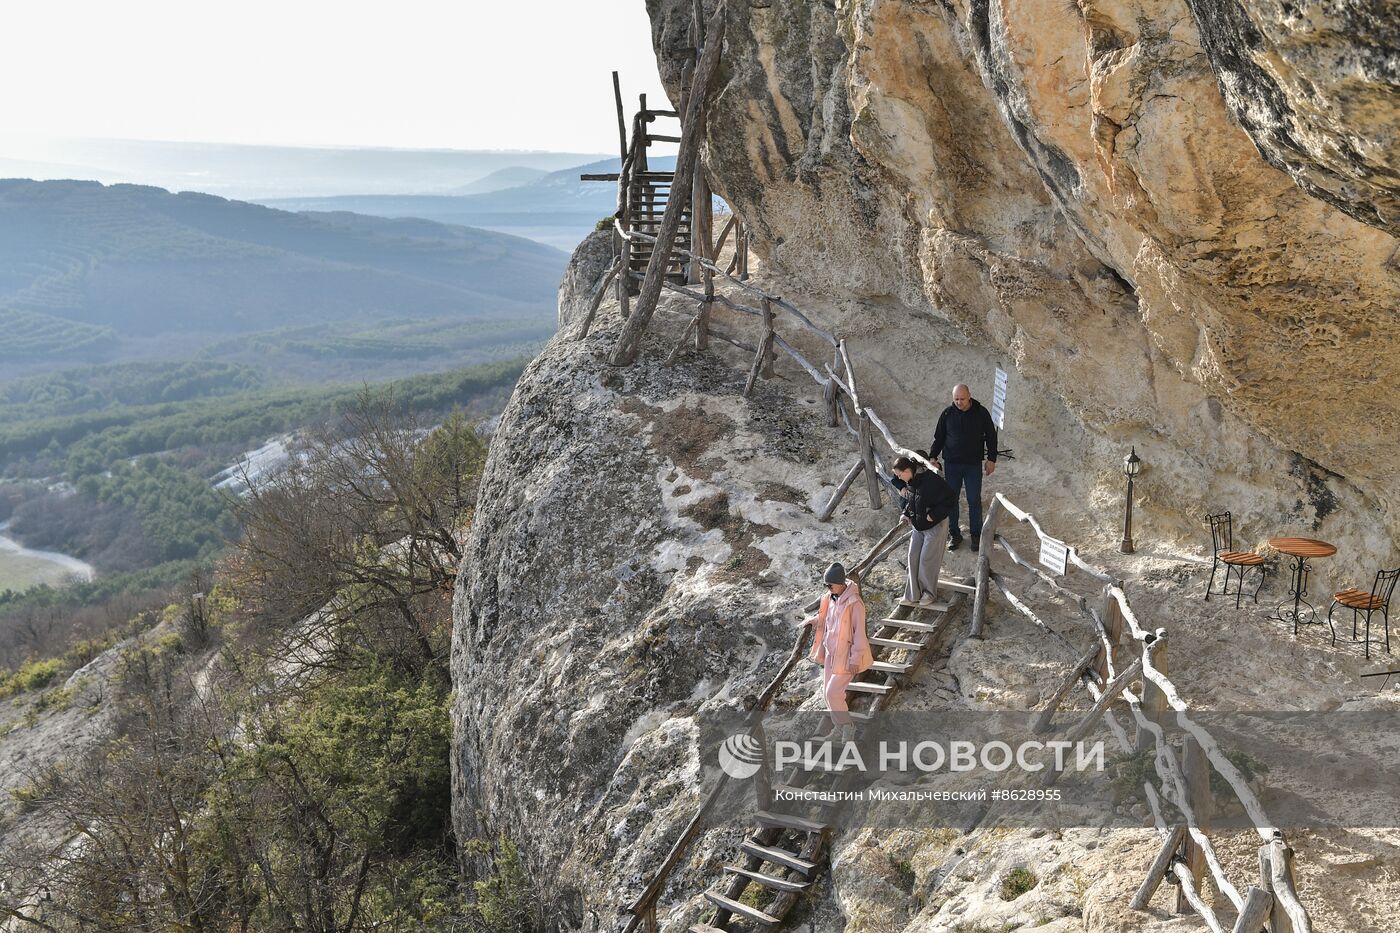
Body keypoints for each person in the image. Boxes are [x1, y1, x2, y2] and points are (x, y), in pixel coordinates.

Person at [799, 561, 873, 737]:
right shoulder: (829, 598)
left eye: (830, 584)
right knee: (827, 694)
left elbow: (859, 633)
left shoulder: (855, 603)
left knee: (833, 693)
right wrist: (814, 620)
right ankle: (839, 728)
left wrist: (856, 658)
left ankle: (848, 727)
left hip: (847, 656)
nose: (827, 587)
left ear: (840, 583)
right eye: (826, 584)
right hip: (831, 654)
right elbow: (826, 617)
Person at [928, 383, 998, 552]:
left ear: (970, 396)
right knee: (951, 500)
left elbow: (991, 436)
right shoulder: (947, 414)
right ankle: (954, 534)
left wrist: (991, 459)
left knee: (974, 499)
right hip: (952, 464)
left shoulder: (981, 413)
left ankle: (976, 534)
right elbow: (939, 438)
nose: (959, 402)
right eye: (956, 399)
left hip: (973, 464)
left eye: (962, 399)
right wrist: (932, 457)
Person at [890, 456, 958, 608]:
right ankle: (913, 594)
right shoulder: (912, 481)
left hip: (935, 526)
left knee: (927, 560)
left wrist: (933, 515)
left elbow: (951, 499)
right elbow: (914, 499)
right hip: (918, 525)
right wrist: (906, 513)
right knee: (912, 557)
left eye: (900, 475)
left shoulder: (931, 480)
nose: (899, 478)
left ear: (908, 471)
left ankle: (928, 593)